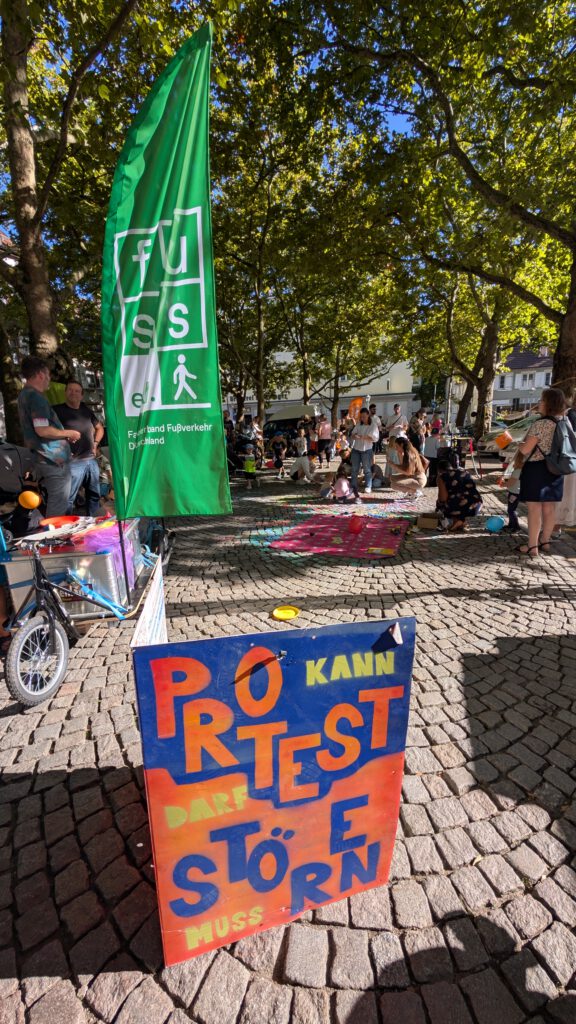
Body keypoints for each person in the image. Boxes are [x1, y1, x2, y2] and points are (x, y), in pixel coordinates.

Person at [17, 357, 80, 518]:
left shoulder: (24, 395)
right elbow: (43, 430)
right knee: (58, 506)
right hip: (53, 461)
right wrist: (69, 433)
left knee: (53, 502)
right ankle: (53, 539)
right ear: (40, 375)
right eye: (48, 375)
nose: (49, 379)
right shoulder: (36, 397)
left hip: (44, 457)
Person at [517, 387, 566, 556]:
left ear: (548, 403)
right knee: (550, 507)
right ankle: (545, 541)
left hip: (537, 468)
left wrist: (515, 443)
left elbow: (525, 450)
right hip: (556, 468)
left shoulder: (541, 423)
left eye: (542, 400)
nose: (539, 403)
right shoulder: (563, 422)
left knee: (534, 509)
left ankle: (532, 546)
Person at [53, 380, 104, 516]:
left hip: (90, 460)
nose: (73, 393)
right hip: (72, 462)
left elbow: (100, 428)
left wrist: (95, 444)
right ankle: (66, 528)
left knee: (94, 495)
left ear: (81, 395)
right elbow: (48, 433)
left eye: (77, 391)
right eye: (70, 389)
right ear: (65, 393)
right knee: (68, 498)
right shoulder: (56, 411)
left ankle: (92, 522)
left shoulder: (86, 410)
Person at [436, 456, 483, 530]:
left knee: (442, 504)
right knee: (460, 499)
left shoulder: (442, 476)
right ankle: (462, 521)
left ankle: (457, 521)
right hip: (477, 505)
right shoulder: (465, 472)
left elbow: (443, 498)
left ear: (439, 470)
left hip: (459, 506)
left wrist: (438, 503)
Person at [349, 407, 380, 499]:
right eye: (361, 417)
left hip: (367, 450)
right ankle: (353, 486)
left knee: (367, 469)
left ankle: (368, 486)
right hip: (356, 449)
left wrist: (364, 437)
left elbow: (375, 439)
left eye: (364, 417)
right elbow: (352, 435)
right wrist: (355, 436)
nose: (362, 418)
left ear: (368, 415)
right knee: (354, 469)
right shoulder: (358, 424)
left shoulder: (373, 425)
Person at [555, 400, 576, 531]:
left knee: (562, 498)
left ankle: (554, 529)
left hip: (567, 463)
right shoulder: (569, 416)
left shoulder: (568, 416)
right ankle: (555, 529)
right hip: (569, 462)